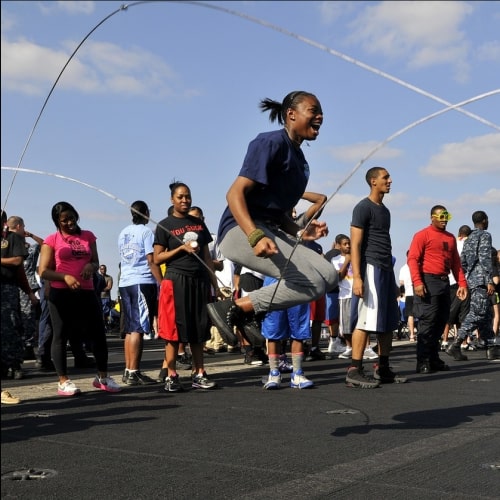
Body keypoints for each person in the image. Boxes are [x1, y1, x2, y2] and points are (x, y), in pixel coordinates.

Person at [207, 90, 337, 389]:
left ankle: (242, 308)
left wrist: (303, 229)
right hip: (239, 231)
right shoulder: (269, 142)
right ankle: (238, 308)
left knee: (326, 275)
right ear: (291, 114)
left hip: (271, 229)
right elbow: (234, 194)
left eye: (321, 112)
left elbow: (280, 216)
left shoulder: (301, 162)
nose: (320, 116)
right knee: (312, 282)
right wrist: (253, 235)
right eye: (313, 110)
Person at [38, 201, 121, 396]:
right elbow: (43, 271)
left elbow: (95, 260)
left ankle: (102, 376)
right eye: (64, 220)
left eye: (71, 217)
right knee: (61, 335)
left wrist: (91, 267)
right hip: (61, 293)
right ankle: (63, 381)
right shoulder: (51, 240)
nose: (69, 222)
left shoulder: (88, 236)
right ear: (57, 222)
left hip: (86, 291)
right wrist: (64, 277)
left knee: (98, 334)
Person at [154, 182, 220, 392]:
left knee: (199, 329)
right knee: (174, 330)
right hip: (176, 280)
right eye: (180, 197)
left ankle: (198, 372)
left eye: (187, 197)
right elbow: (157, 257)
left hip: (199, 281)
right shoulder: (164, 225)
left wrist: (214, 285)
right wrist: (181, 248)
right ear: (172, 199)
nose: (185, 200)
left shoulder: (198, 224)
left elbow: (207, 257)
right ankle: (172, 375)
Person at [347, 166, 406, 388]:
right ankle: (354, 369)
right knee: (366, 320)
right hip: (370, 267)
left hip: (386, 269)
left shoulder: (385, 210)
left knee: (388, 322)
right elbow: (355, 244)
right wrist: (358, 277)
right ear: (373, 181)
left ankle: (383, 368)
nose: (390, 180)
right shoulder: (363, 207)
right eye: (385, 177)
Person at [407, 206, 468, 374]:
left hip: (443, 281)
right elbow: (412, 259)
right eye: (441, 216)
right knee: (428, 321)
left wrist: (462, 283)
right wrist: (418, 282)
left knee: (442, 320)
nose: (444, 219)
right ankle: (423, 361)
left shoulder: (450, 238)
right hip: (427, 280)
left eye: (446, 216)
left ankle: (433, 358)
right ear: (432, 217)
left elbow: (456, 262)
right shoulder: (422, 235)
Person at [118, 200, 163, 386]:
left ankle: (129, 370)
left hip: (125, 281)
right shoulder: (146, 232)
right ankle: (134, 371)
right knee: (138, 327)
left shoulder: (123, 232)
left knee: (130, 328)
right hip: (141, 281)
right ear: (146, 212)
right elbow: (151, 259)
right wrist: (161, 282)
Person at [446, 211, 499, 361]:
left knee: (485, 315)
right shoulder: (485, 235)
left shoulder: (468, 239)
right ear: (484, 220)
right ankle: (455, 344)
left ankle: (491, 347)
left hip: (471, 280)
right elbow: (484, 258)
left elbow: (462, 261)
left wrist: (464, 280)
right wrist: (489, 280)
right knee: (477, 313)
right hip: (481, 280)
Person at [1, 211, 38, 380]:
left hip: (7, 288)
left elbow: (17, 263)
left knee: (11, 325)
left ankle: (14, 364)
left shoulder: (13, 238)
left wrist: (29, 292)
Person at [7, 216, 43, 360]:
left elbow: (45, 245)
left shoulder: (30, 248)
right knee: (15, 318)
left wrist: (31, 235)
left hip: (28, 285)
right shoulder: (7, 245)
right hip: (11, 286)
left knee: (28, 318)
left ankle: (28, 345)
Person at [441, 224, 471, 351]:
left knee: (450, 312)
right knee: (463, 314)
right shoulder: (468, 244)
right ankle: (463, 342)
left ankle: (445, 340)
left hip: (450, 281)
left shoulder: (452, 242)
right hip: (463, 283)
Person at [398, 251, 416, 342]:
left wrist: (402, 295)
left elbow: (401, 284)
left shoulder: (403, 268)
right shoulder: (417, 265)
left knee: (410, 314)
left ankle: (412, 335)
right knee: (421, 314)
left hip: (408, 294)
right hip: (417, 293)